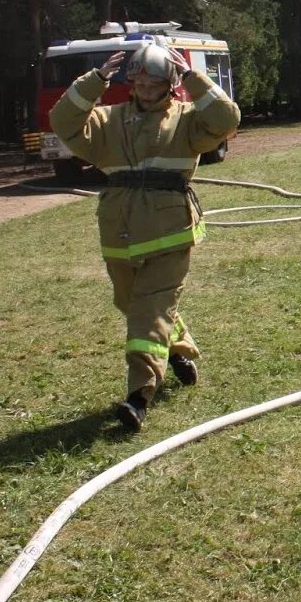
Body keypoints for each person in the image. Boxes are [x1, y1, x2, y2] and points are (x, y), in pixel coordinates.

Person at [49, 42, 240, 432]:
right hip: (119, 230)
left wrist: (192, 75)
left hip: (169, 233)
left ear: (169, 84)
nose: (145, 88)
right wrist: (95, 80)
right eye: (139, 81)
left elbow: (226, 118)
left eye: (155, 81)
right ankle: (179, 350)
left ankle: (139, 395)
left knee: (148, 312)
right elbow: (62, 121)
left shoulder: (188, 120)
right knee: (130, 301)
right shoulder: (106, 120)